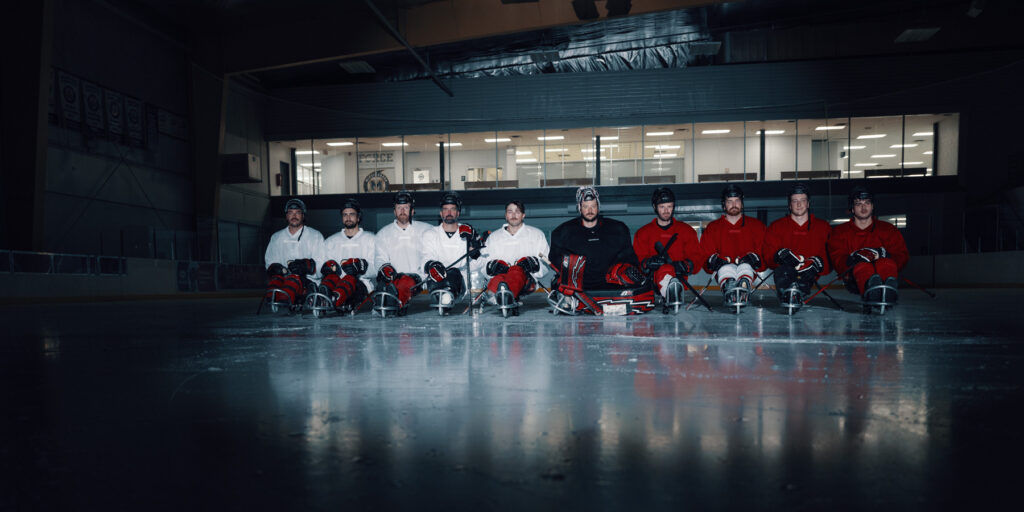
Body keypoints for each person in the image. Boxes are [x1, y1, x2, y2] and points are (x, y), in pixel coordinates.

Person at [548, 186, 651, 315]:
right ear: (579, 208)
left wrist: (624, 271)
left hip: (610, 284)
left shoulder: (618, 229)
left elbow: (629, 258)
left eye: (593, 206)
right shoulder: (563, 232)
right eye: (585, 206)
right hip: (579, 286)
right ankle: (570, 300)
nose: (590, 210)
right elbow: (554, 258)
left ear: (598, 206)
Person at [827, 186, 909, 304]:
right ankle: (871, 294)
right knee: (863, 266)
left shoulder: (888, 229)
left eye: (867, 203)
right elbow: (836, 258)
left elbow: (901, 254)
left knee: (885, 263)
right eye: (858, 203)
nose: (863, 207)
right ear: (852, 208)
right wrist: (852, 259)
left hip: (884, 273)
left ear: (872, 206)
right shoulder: (839, 232)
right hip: (855, 278)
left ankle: (887, 292)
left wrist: (886, 255)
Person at [633, 187, 704, 310]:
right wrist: (647, 263)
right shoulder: (643, 233)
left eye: (669, 206)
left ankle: (673, 290)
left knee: (668, 269)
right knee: (665, 268)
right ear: (655, 207)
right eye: (662, 207)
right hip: (654, 282)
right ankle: (671, 291)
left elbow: (697, 259)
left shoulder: (686, 231)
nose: (666, 211)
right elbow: (636, 261)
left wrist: (686, 265)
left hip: (680, 279)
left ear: (674, 206)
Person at [763, 183, 832, 307]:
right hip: (785, 273)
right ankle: (788, 293)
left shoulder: (823, 227)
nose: (799, 204)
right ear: (790, 205)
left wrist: (817, 264)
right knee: (784, 272)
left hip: (808, 274)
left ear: (808, 203)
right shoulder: (776, 226)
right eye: (795, 201)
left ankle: (798, 291)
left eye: (802, 200)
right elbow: (768, 255)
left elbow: (829, 257)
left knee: (803, 277)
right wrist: (777, 256)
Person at [700, 184, 766, 306]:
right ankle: (729, 286)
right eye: (729, 201)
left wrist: (757, 260)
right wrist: (712, 261)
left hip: (748, 271)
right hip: (724, 271)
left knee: (746, 267)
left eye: (737, 201)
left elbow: (764, 258)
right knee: (725, 269)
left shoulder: (757, 226)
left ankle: (744, 284)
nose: (734, 204)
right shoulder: (713, 228)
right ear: (724, 205)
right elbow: (705, 257)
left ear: (742, 203)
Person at [479, 200, 550, 313]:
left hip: (526, 281)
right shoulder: (494, 237)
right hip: (500, 279)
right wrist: (490, 268)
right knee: (499, 278)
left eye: (517, 211)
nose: (513, 215)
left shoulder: (536, 234)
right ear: (506, 215)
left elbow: (546, 262)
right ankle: (505, 296)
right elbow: (484, 265)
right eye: (510, 211)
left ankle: (504, 297)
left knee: (516, 270)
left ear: (523, 215)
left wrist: (536, 266)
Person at [420, 191, 486, 311]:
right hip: (438, 279)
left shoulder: (468, 233)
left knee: (456, 273)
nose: (449, 213)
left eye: (452, 209)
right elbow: (426, 257)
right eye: (445, 209)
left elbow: (479, 264)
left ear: (458, 213)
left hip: (460, 283)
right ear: (441, 213)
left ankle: (447, 298)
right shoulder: (430, 233)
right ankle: (443, 298)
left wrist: (474, 252)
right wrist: (431, 265)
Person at [373, 191, 433, 315]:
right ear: (394, 211)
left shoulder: (427, 230)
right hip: (394, 278)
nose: (402, 211)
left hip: (418, 279)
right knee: (383, 288)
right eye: (399, 207)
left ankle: (395, 303)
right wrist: (384, 267)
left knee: (404, 285)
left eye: (406, 207)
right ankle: (387, 302)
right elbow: (380, 258)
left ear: (412, 210)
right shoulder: (384, 233)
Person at [264, 198, 324, 307]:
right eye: (291, 213)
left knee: (296, 280)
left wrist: (306, 267)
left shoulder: (315, 236)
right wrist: (277, 269)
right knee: (275, 281)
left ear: (303, 215)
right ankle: (277, 297)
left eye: (298, 212)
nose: (294, 216)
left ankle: (304, 296)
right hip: (284, 279)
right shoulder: (277, 237)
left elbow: (321, 263)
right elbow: (270, 261)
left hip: (308, 281)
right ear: (286, 216)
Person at [319, 198, 375, 311]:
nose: (348, 218)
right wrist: (327, 268)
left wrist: (361, 267)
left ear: (358, 217)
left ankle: (336, 299)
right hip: (337, 282)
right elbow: (324, 265)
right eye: (345, 215)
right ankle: (325, 297)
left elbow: (376, 268)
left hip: (361, 284)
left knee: (350, 280)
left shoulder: (371, 239)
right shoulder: (331, 241)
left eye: (352, 214)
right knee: (329, 280)